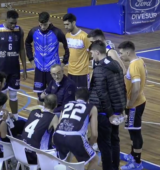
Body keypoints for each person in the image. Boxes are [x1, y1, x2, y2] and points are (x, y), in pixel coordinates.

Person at [88, 40, 126, 170]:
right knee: (115, 141)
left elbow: (102, 94)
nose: (91, 56)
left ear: (97, 52)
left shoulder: (99, 69)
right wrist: (121, 108)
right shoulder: (116, 64)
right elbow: (122, 87)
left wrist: (109, 114)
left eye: (92, 53)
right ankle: (115, 167)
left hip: (104, 113)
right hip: (116, 110)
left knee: (105, 145)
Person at [0, 10, 27, 120]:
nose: (13, 25)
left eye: (15, 23)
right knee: (2, 96)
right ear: (5, 19)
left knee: (14, 95)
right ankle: (2, 118)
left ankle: (16, 118)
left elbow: (22, 49)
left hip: (14, 69)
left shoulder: (20, 31)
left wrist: (24, 68)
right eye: (11, 23)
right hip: (1, 69)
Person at [25, 11, 69, 104]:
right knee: (40, 97)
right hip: (39, 69)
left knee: (54, 95)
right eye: (41, 24)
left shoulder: (57, 32)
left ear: (49, 21)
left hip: (52, 70)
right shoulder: (33, 31)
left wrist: (64, 62)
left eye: (45, 24)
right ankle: (43, 114)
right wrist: (31, 59)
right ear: (38, 22)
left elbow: (67, 47)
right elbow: (27, 43)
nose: (43, 27)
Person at [53, 88, 98, 170]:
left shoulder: (66, 104)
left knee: (65, 161)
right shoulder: (91, 107)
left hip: (58, 135)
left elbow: (58, 126)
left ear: (75, 97)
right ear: (88, 99)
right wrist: (90, 145)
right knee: (94, 160)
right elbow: (94, 134)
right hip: (75, 138)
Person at [118, 41, 147, 170]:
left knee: (135, 133)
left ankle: (137, 162)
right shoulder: (140, 61)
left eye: (121, 53)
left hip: (135, 104)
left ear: (128, 52)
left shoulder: (134, 65)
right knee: (132, 130)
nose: (120, 56)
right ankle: (133, 154)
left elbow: (135, 88)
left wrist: (130, 103)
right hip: (139, 101)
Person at [21, 94, 59, 165]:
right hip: (36, 156)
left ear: (44, 103)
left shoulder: (34, 111)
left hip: (22, 152)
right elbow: (57, 137)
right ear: (56, 106)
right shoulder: (53, 117)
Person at [62, 13, 91, 88]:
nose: (66, 27)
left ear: (74, 22)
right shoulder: (67, 36)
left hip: (82, 73)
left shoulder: (84, 36)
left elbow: (91, 54)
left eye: (67, 24)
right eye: (64, 25)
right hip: (70, 72)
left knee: (83, 97)